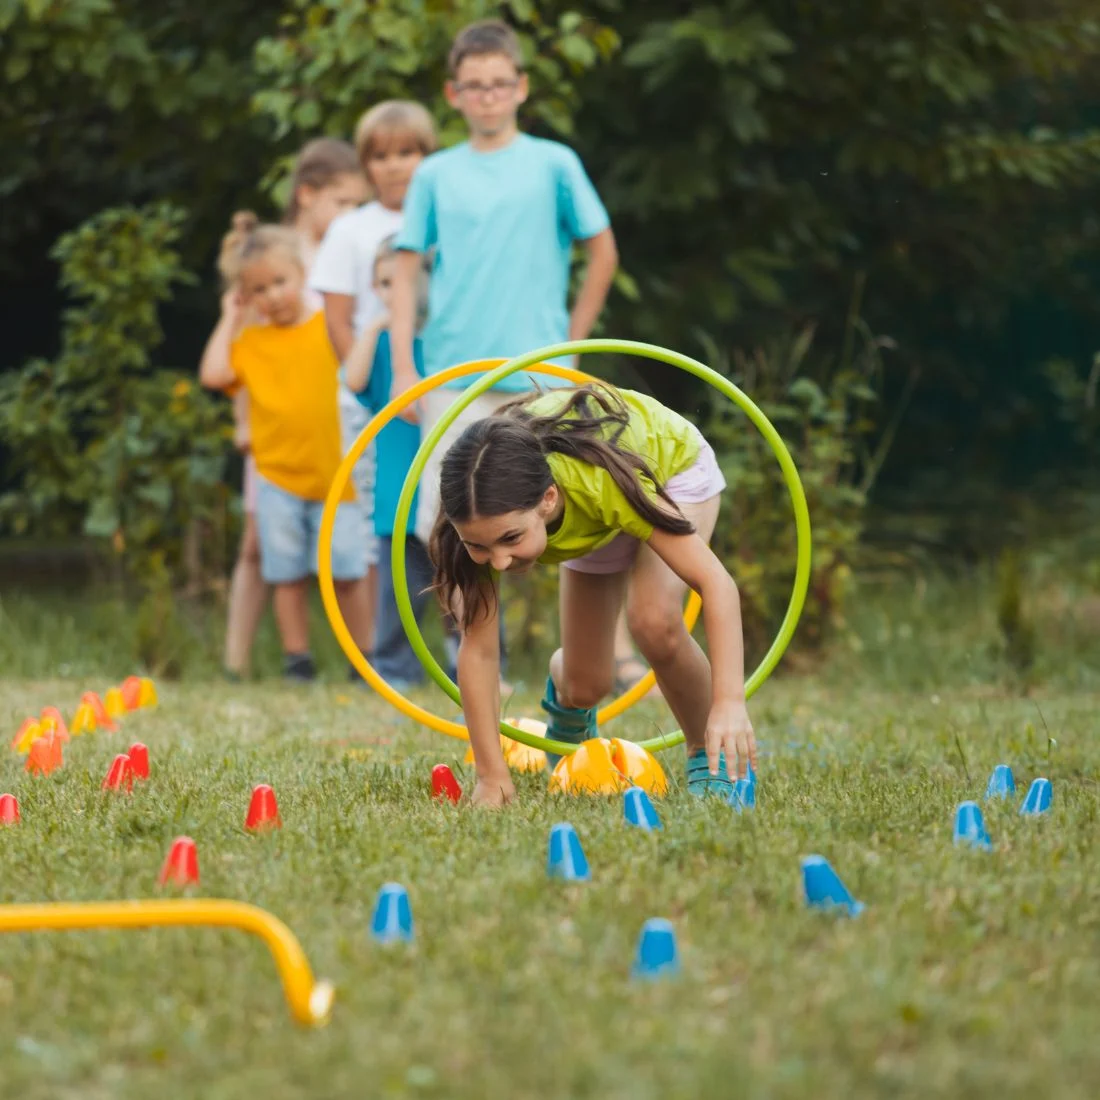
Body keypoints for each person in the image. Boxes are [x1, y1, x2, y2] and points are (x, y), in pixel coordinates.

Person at [429, 383, 756, 808]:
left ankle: (710, 757)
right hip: (593, 517)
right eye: (480, 547)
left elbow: (717, 584)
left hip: (668, 472)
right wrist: (491, 777)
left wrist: (729, 703)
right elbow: (480, 652)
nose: (499, 563)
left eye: (511, 539)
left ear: (548, 500)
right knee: (587, 684)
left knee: (653, 621)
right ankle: (567, 713)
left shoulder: (600, 483)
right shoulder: (474, 517)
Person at [387, 18, 619, 549]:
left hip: (542, 371)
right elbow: (405, 272)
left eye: (499, 84)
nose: (488, 97)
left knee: (570, 513)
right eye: (474, 86)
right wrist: (404, 368)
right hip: (453, 372)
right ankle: (470, 637)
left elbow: (603, 250)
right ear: (454, 94)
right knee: (448, 523)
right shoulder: (434, 175)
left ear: (521, 86)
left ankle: (590, 634)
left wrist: (574, 346)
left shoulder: (554, 163)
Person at [217, 138, 368, 680]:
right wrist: (242, 423)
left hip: (332, 436)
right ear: (308, 196)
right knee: (263, 548)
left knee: (348, 553)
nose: (354, 215)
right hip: (275, 437)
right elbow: (241, 364)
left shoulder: (344, 253)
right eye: (345, 203)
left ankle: (364, 657)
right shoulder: (269, 261)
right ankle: (247, 662)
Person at [343, 235, 432, 688]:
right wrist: (375, 327)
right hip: (398, 492)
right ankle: (395, 669)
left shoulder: (444, 342)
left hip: (447, 490)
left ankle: (477, 666)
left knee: (467, 586)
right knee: (401, 592)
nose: (393, 291)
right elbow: (352, 379)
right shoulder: (381, 350)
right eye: (383, 283)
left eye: (404, 281)